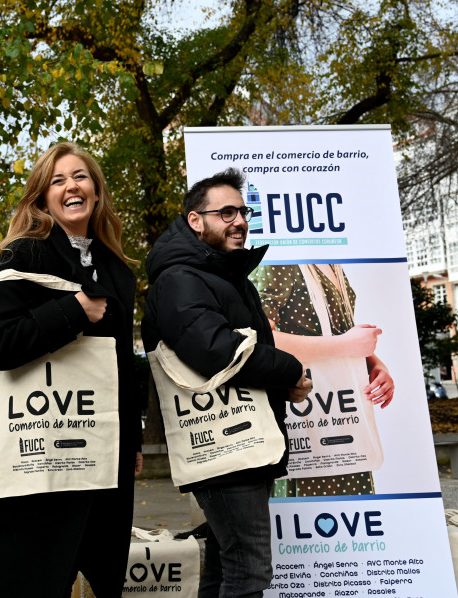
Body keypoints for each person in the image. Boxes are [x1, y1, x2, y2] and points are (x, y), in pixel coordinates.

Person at [0, 141, 143, 597]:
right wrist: (74, 311)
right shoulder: (23, 256)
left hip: (97, 451)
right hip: (37, 456)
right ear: (41, 198)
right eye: (57, 180)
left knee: (92, 565)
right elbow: (0, 346)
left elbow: (122, 363)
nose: (70, 186)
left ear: (96, 190)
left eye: (79, 176)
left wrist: (132, 439)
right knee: (35, 575)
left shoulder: (117, 269)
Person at [142, 168, 311, 597]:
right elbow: (216, 349)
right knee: (249, 572)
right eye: (226, 212)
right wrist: (289, 369)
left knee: (224, 566)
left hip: (236, 445)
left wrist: (279, 382)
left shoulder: (217, 273)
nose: (239, 221)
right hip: (225, 448)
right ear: (196, 221)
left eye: (243, 211)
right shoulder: (181, 278)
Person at [252, 263, 394, 496]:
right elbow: (258, 339)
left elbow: (338, 331)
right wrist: (346, 345)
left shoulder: (330, 262)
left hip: (338, 414)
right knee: (311, 504)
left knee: (351, 504)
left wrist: (374, 363)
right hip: (303, 408)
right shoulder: (281, 262)